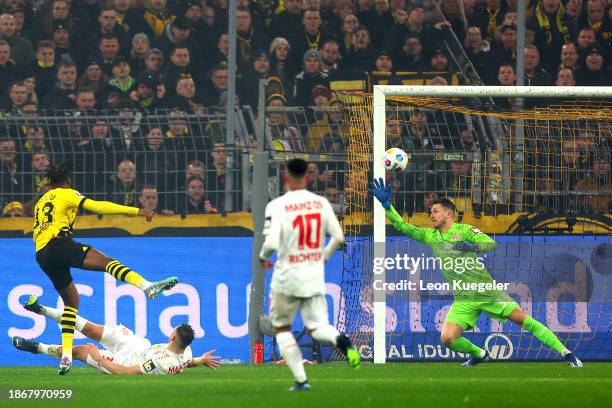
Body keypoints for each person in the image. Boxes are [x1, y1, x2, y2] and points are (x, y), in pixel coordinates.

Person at [368, 179, 584, 368]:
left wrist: (470, 247)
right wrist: (387, 205)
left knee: (523, 319)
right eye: (430, 212)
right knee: (448, 339)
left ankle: (567, 353)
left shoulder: (464, 230)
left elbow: (489, 244)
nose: (430, 214)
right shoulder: (429, 236)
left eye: (435, 211)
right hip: (463, 297)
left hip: (486, 291)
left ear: (449, 214)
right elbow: (403, 227)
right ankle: (480, 354)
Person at [32, 163, 179, 375]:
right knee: (107, 262)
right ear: (67, 181)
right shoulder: (67, 193)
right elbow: (99, 207)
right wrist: (138, 211)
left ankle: (65, 356)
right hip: (59, 244)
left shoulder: (41, 202)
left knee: (71, 302)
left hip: (42, 254)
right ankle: (146, 286)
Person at [258, 158, 360, 391]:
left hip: (287, 275)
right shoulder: (321, 203)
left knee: (282, 329)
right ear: (307, 178)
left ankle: (301, 380)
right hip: (312, 275)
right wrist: (322, 257)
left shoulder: (277, 206)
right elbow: (338, 238)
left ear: (286, 178)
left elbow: (272, 242)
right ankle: (339, 340)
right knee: (317, 327)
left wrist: (264, 257)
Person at [13, 295, 220, 375]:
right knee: (90, 328)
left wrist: (99, 357)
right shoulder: (186, 351)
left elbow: (126, 373)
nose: (170, 333)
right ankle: (39, 308)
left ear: (173, 338)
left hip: (124, 361)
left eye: (172, 332)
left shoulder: (159, 364)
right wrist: (202, 360)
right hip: (137, 344)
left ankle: (35, 347)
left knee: (79, 350)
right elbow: (187, 362)